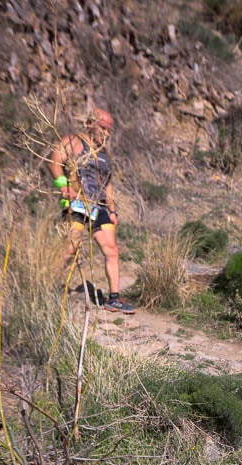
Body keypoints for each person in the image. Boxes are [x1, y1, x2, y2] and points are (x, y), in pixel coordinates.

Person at [47, 108, 135, 314]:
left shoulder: (104, 152)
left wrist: (113, 211)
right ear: (90, 124)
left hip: (100, 205)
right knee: (70, 247)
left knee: (112, 250)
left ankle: (114, 299)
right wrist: (63, 186)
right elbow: (54, 160)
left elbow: (108, 182)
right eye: (103, 128)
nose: (106, 133)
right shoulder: (74, 141)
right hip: (78, 202)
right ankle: (47, 286)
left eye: (109, 130)